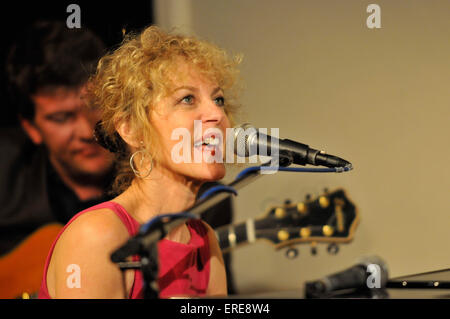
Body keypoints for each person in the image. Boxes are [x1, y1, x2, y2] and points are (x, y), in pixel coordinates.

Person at [38, 25, 242, 299]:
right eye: (187, 99)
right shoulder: (97, 234)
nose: (216, 113)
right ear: (132, 129)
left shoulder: (204, 238)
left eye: (218, 99)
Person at [0, 21, 114, 256]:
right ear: (31, 128)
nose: (87, 132)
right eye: (62, 118)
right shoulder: (6, 172)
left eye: (95, 105)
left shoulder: (159, 169)